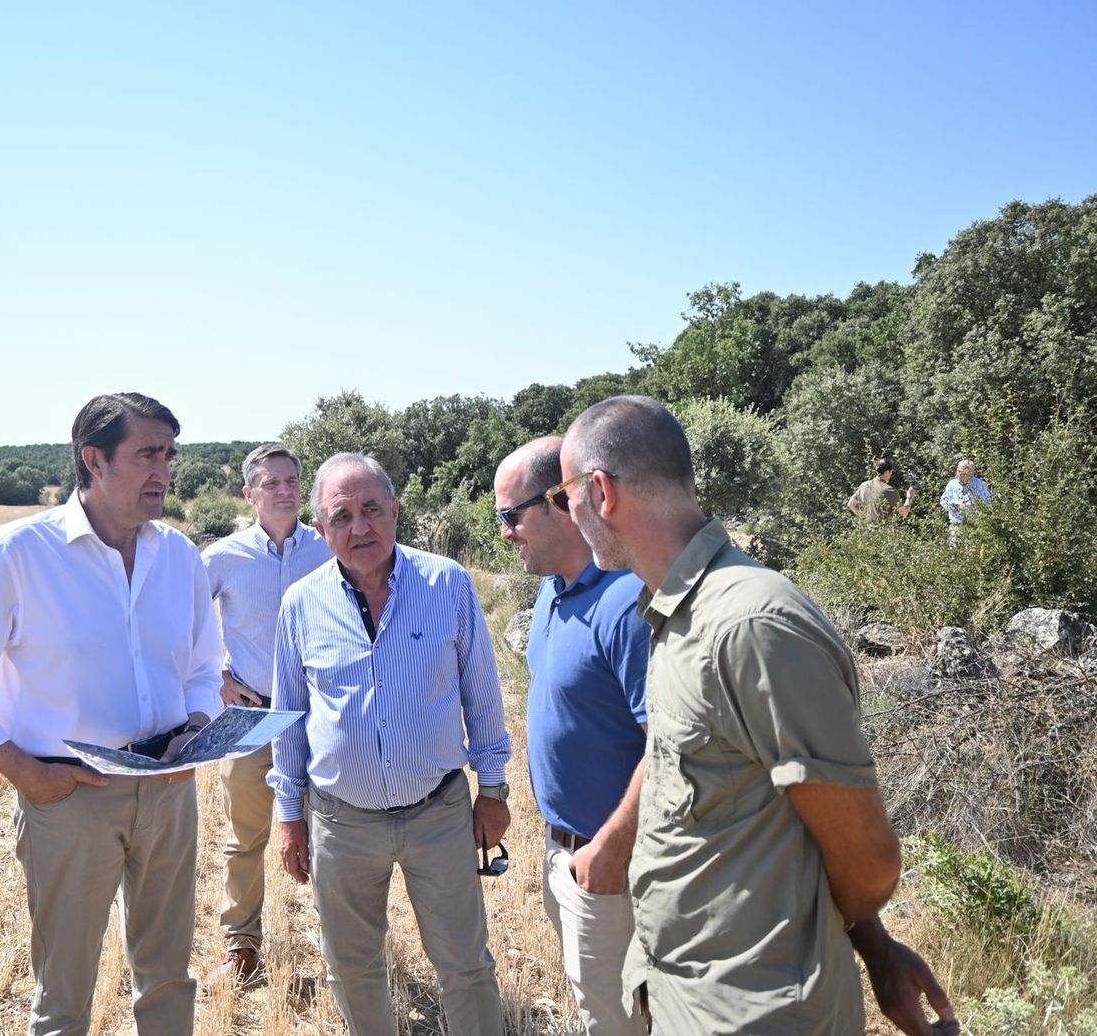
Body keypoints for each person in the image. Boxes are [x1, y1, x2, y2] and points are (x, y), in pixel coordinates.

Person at [558, 396, 959, 1036]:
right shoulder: (678, 614)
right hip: (692, 1000)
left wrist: (870, 944)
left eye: (563, 497)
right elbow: (765, 808)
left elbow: (868, 858)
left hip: (758, 1014)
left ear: (601, 491)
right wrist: (877, 950)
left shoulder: (748, 624)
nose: (566, 515)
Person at [0, 393, 223, 1036]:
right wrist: (28, 775)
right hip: (69, 796)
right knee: (64, 998)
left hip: (170, 792)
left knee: (169, 977)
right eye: (148, 454)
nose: (164, 472)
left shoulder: (179, 556)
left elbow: (202, 669)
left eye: (169, 455)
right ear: (93, 459)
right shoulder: (18, 553)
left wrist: (196, 733)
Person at [269, 452, 512, 1036]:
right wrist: (288, 815)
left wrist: (495, 789)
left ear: (396, 511)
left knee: (465, 965)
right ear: (321, 529)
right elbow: (290, 717)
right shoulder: (300, 604)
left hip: (440, 812)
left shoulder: (446, 582)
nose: (360, 528)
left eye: (372, 509)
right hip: (341, 822)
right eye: (342, 516)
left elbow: (481, 691)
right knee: (351, 967)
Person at [494, 437, 650, 1034]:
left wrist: (608, 850)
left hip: (618, 865)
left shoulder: (627, 599)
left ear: (561, 501)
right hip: (568, 853)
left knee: (620, 1021)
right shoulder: (554, 588)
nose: (505, 532)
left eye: (511, 515)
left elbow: (673, 747)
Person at [200, 443, 333, 986]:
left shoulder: (328, 551)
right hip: (250, 716)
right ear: (248, 493)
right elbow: (183, 626)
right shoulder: (222, 558)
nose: (284, 490)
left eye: (292, 481)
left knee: (332, 834)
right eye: (271, 482)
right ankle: (242, 948)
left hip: (321, 717)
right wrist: (216, 680)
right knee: (245, 837)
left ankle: (339, 949)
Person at [848, 457, 917, 523]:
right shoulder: (890, 491)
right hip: (885, 533)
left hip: (867, 532)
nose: (891, 474)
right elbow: (904, 513)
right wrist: (909, 497)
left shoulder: (864, 485)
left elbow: (851, 504)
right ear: (887, 472)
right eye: (891, 472)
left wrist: (864, 518)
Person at [939, 459, 991, 544]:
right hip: (956, 527)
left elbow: (988, 504)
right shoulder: (952, 484)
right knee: (954, 555)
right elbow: (943, 501)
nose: (959, 474)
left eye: (963, 473)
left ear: (971, 474)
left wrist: (974, 505)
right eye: (958, 471)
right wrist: (955, 504)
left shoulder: (980, 485)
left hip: (975, 527)